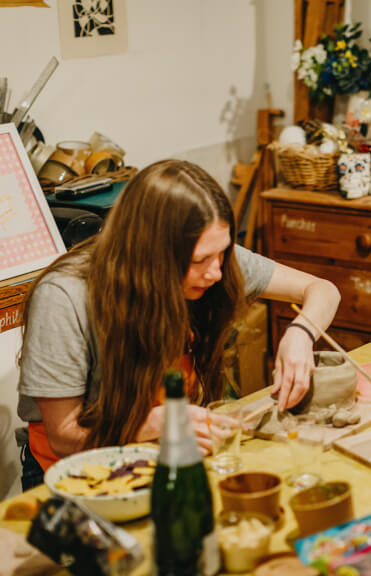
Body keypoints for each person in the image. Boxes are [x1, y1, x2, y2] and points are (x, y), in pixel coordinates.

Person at [16, 159, 340, 490]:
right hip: (74, 477)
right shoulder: (64, 296)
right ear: (150, 255)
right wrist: (145, 427)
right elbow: (62, 437)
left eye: (223, 254)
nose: (216, 272)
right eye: (199, 261)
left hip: (161, 457)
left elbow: (324, 290)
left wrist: (300, 334)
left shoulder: (212, 256)